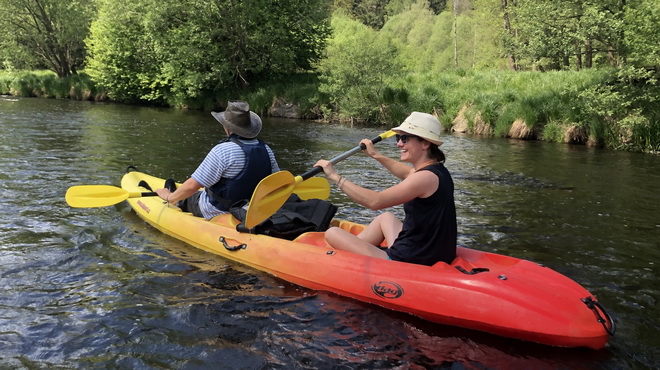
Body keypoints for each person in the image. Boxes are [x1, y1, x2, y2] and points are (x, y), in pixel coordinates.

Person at [314, 112, 457, 266]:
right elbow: (407, 173)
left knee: (332, 233)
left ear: (425, 144)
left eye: (405, 139)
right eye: (398, 138)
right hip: (427, 251)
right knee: (386, 218)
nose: (399, 144)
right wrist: (375, 155)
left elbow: (375, 202)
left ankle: (349, 253)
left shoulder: (424, 178)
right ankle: (354, 249)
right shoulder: (436, 170)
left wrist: (335, 177)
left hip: (411, 259)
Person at [155, 101, 280, 220]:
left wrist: (169, 196)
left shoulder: (223, 150)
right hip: (250, 209)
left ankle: (176, 199)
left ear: (227, 127)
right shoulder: (266, 149)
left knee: (188, 197)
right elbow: (274, 182)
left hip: (218, 210)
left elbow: (192, 186)